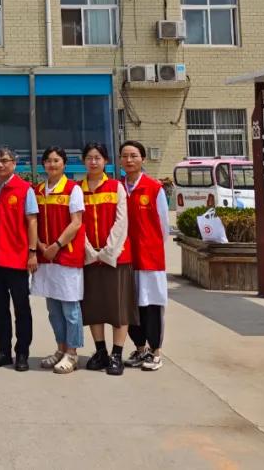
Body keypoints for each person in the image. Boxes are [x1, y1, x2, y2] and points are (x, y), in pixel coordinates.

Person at [0, 145, 37, 372]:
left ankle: (22, 353)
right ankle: (3, 352)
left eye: (5, 161)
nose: (1, 165)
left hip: (17, 258)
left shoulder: (24, 189)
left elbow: (32, 221)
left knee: (21, 308)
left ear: (14, 163)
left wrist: (32, 252)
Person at [80, 142, 136, 376]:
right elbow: (76, 223)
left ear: (106, 161)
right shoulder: (77, 189)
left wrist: (108, 251)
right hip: (89, 258)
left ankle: (116, 354)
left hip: (117, 257)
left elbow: (121, 222)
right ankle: (100, 351)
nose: (93, 162)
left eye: (98, 158)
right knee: (94, 306)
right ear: (84, 161)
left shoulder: (116, 187)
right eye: (89, 158)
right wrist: (90, 251)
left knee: (118, 307)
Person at [32, 146, 86, 375]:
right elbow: (32, 222)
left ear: (64, 164)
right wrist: (41, 246)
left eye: (56, 160)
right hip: (46, 257)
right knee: (53, 309)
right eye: (48, 161)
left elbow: (76, 223)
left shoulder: (73, 189)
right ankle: (60, 348)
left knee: (70, 309)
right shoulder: (38, 190)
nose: (52, 164)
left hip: (66, 255)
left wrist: (57, 245)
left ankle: (72, 353)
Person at [120, 140, 169, 372]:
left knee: (152, 305)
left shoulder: (154, 188)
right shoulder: (118, 188)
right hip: (126, 258)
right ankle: (140, 349)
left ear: (143, 159)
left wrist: (152, 246)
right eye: (125, 156)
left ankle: (156, 352)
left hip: (150, 258)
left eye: (134, 156)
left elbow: (164, 225)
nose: (129, 160)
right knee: (131, 306)